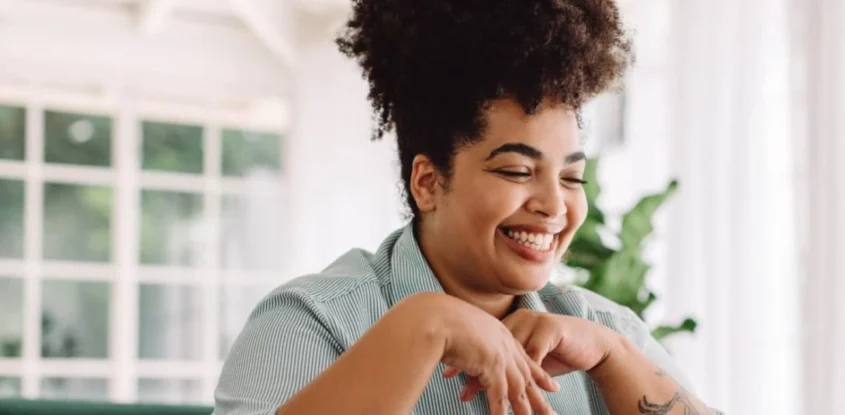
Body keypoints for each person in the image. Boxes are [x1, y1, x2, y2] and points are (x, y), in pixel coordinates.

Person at [213, 0, 722, 414]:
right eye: (517, 172)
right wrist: (424, 325)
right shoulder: (315, 322)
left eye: (572, 177)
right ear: (429, 182)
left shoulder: (603, 332)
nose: (553, 205)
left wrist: (613, 359)